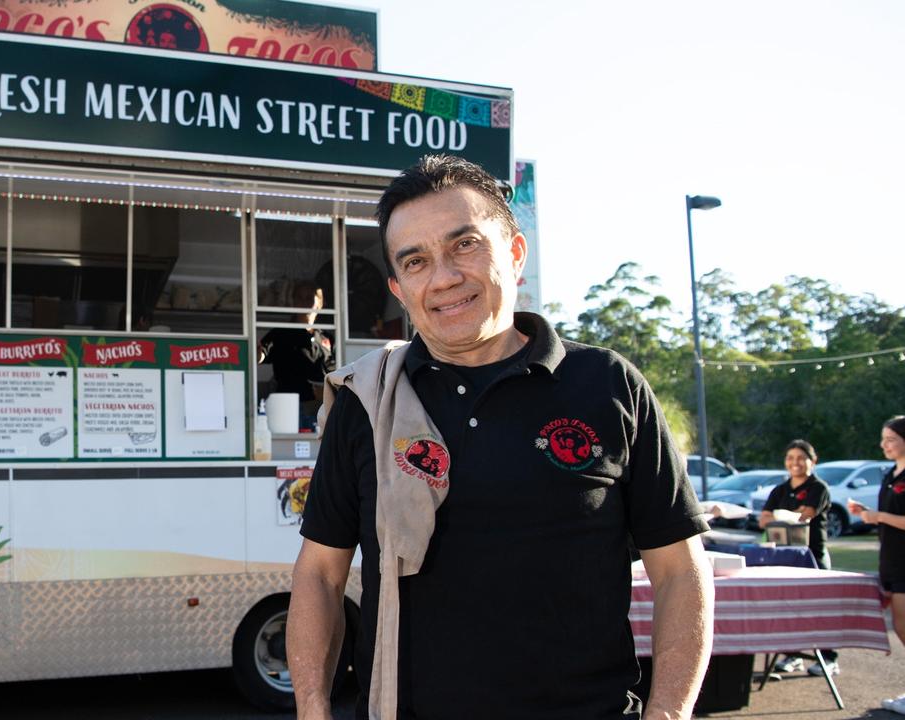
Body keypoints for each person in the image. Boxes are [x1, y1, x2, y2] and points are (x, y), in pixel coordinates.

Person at [287, 155, 713, 720]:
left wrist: (668, 713)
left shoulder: (607, 385)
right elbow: (319, 573)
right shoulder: (367, 403)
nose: (443, 277)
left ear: (514, 253)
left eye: (464, 245)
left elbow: (681, 569)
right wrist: (313, 710)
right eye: (416, 261)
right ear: (398, 287)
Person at [757, 439, 837, 676]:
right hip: (784, 556)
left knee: (819, 606)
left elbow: (806, 516)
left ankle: (829, 658)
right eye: (790, 458)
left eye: (801, 458)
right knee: (789, 605)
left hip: (814, 554)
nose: (795, 463)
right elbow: (763, 520)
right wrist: (787, 515)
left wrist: (781, 516)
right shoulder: (779, 490)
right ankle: (792, 655)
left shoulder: (818, 488)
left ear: (813, 461)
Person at [849, 416, 905, 714]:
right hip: (891, 560)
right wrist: (869, 514)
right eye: (883, 439)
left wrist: (879, 517)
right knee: (900, 627)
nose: (884, 445)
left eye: (891, 439)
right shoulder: (890, 474)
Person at [258, 280, 335, 420]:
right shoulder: (281, 333)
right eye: (299, 297)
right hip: (289, 409)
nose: (303, 302)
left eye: (309, 298)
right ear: (293, 302)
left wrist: (327, 390)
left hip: (322, 409)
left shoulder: (327, 337)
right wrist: (254, 351)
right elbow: (260, 354)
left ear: (320, 303)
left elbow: (336, 370)